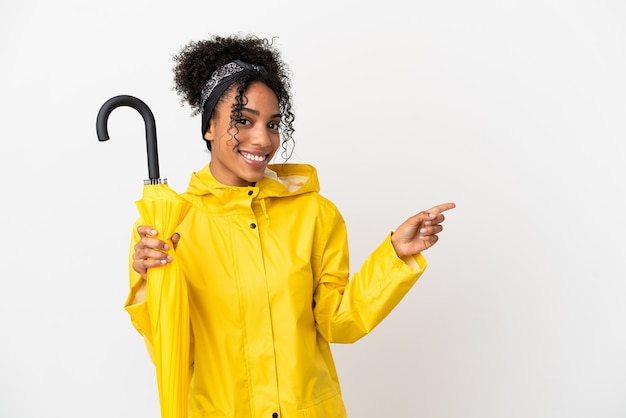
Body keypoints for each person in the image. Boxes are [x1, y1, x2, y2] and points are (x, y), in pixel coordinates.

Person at [126, 34, 455, 418]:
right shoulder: (169, 228)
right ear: (209, 127)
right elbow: (176, 354)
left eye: (273, 123)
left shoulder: (314, 214)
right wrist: (150, 285)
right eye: (242, 121)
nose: (262, 139)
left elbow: (339, 323)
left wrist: (394, 256)